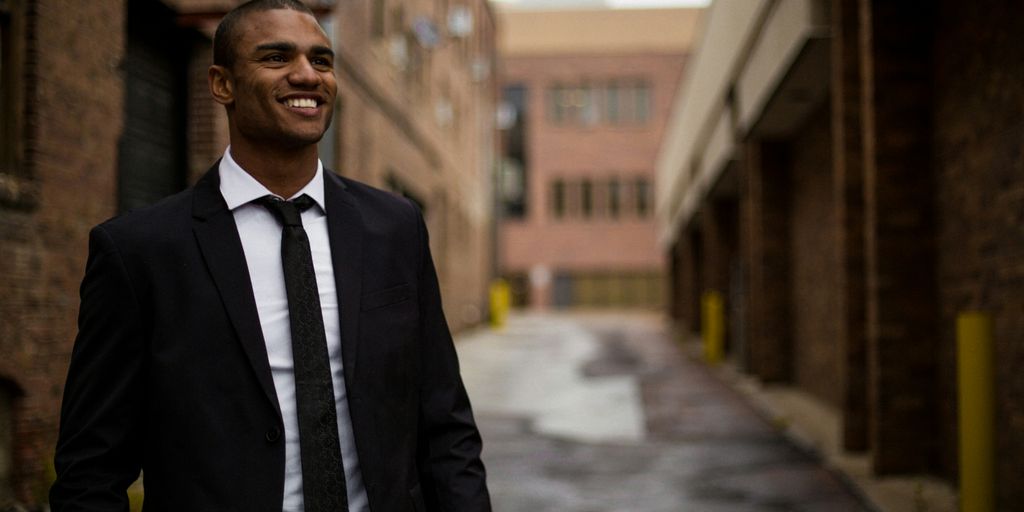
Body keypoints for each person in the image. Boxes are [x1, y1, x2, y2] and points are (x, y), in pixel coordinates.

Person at [49, 1, 491, 510]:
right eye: (277, 58)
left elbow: (446, 426)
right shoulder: (139, 251)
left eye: (322, 60)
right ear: (222, 84)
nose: (308, 75)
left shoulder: (395, 228)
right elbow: (91, 467)